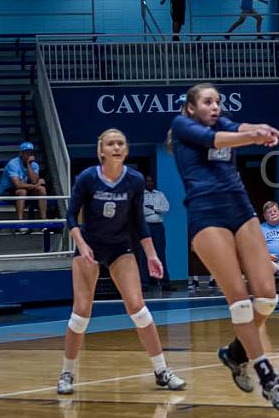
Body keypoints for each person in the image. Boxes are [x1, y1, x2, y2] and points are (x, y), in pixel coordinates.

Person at [169, 83, 279, 409]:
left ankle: (235, 353)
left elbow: (237, 127)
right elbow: (219, 140)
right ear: (191, 107)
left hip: (239, 208)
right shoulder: (182, 125)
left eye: (218, 102)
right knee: (239, 301)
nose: (215, 107)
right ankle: (269, 379)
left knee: (267, 298)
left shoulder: (221, 121)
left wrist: (261, 129)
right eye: (208, 102)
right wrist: (252, 137)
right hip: (206, 214)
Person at [57, 128, 186, 396]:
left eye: (120, 143)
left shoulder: (135, 181)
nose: (116, 147)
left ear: (126, 150)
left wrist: (151, 255)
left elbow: (139, 222)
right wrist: (81, 245)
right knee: (81, 313)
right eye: (110, 143)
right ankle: (67, 373)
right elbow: (70, 216)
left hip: (120, 248)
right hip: (89, 246)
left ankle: (162, 370)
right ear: (101, 150)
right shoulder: (87, 178)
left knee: (138, 308)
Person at [0, 141, 47, 231]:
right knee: (22, 191)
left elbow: (34, 181)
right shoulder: (13, 164)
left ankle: (43, 222)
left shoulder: (34, 165)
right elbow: (17, 184)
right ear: (21, 153)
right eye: (26, 152)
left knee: (42, 189)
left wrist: (28, 165)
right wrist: (36, 185)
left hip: (26, 187)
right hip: (8, 189)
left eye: (30, 152)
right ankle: (20, 223)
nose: (29, 154)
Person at [139, 175, 170, 288]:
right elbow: (141, 210)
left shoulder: (160, 194)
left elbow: (166, 208)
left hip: (158, 227)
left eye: (151, 181)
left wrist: (152, 208)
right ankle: (144, 283)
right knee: (144, 255)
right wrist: (156, 209)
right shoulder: (140, 195)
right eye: (147, 182)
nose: (149, 183)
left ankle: (164, 282)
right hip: (145, 227)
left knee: (161, 254)